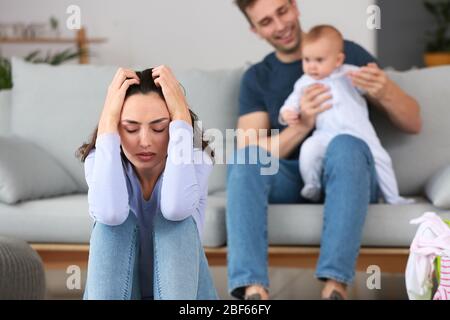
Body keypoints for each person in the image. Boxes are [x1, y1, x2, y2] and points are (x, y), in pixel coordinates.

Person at [228, 0, 421, 300]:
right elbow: (249, 148)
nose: (279, 26)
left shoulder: (346, 53)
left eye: (282, 11)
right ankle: (253, 291)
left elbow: (414, 122)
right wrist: (302, 126)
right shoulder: (258, 77)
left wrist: (387, 91)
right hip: (292, 176)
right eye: (266, 21)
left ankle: (335, 285)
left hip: (347, 171)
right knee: (244, 159)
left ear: (295, 6)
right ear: (254, 30)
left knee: (345, 145)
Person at [77, 66, 217, 300]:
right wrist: (108, 118)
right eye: (130, 128)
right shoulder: (97, 161)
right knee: (110, 225)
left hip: (186, 295)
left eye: (159, 128)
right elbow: (109, 213)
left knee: (176, 222)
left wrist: (182, 116)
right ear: (116, 130)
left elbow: (176, 207)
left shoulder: (195, 160)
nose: (145, 141)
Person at [279, 25, 413, 205]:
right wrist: (288, 114)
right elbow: (291, 102)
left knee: (382, 159)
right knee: (309, 149)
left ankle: (393, 197)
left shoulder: (349, 73)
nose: (311, 66)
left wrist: (373, 78)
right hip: (325, 134)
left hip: (359, 133)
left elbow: (369, 85)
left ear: (337, 60)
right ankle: (312, 185)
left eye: (319, 60)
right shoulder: (304, 83)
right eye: (306, 59)